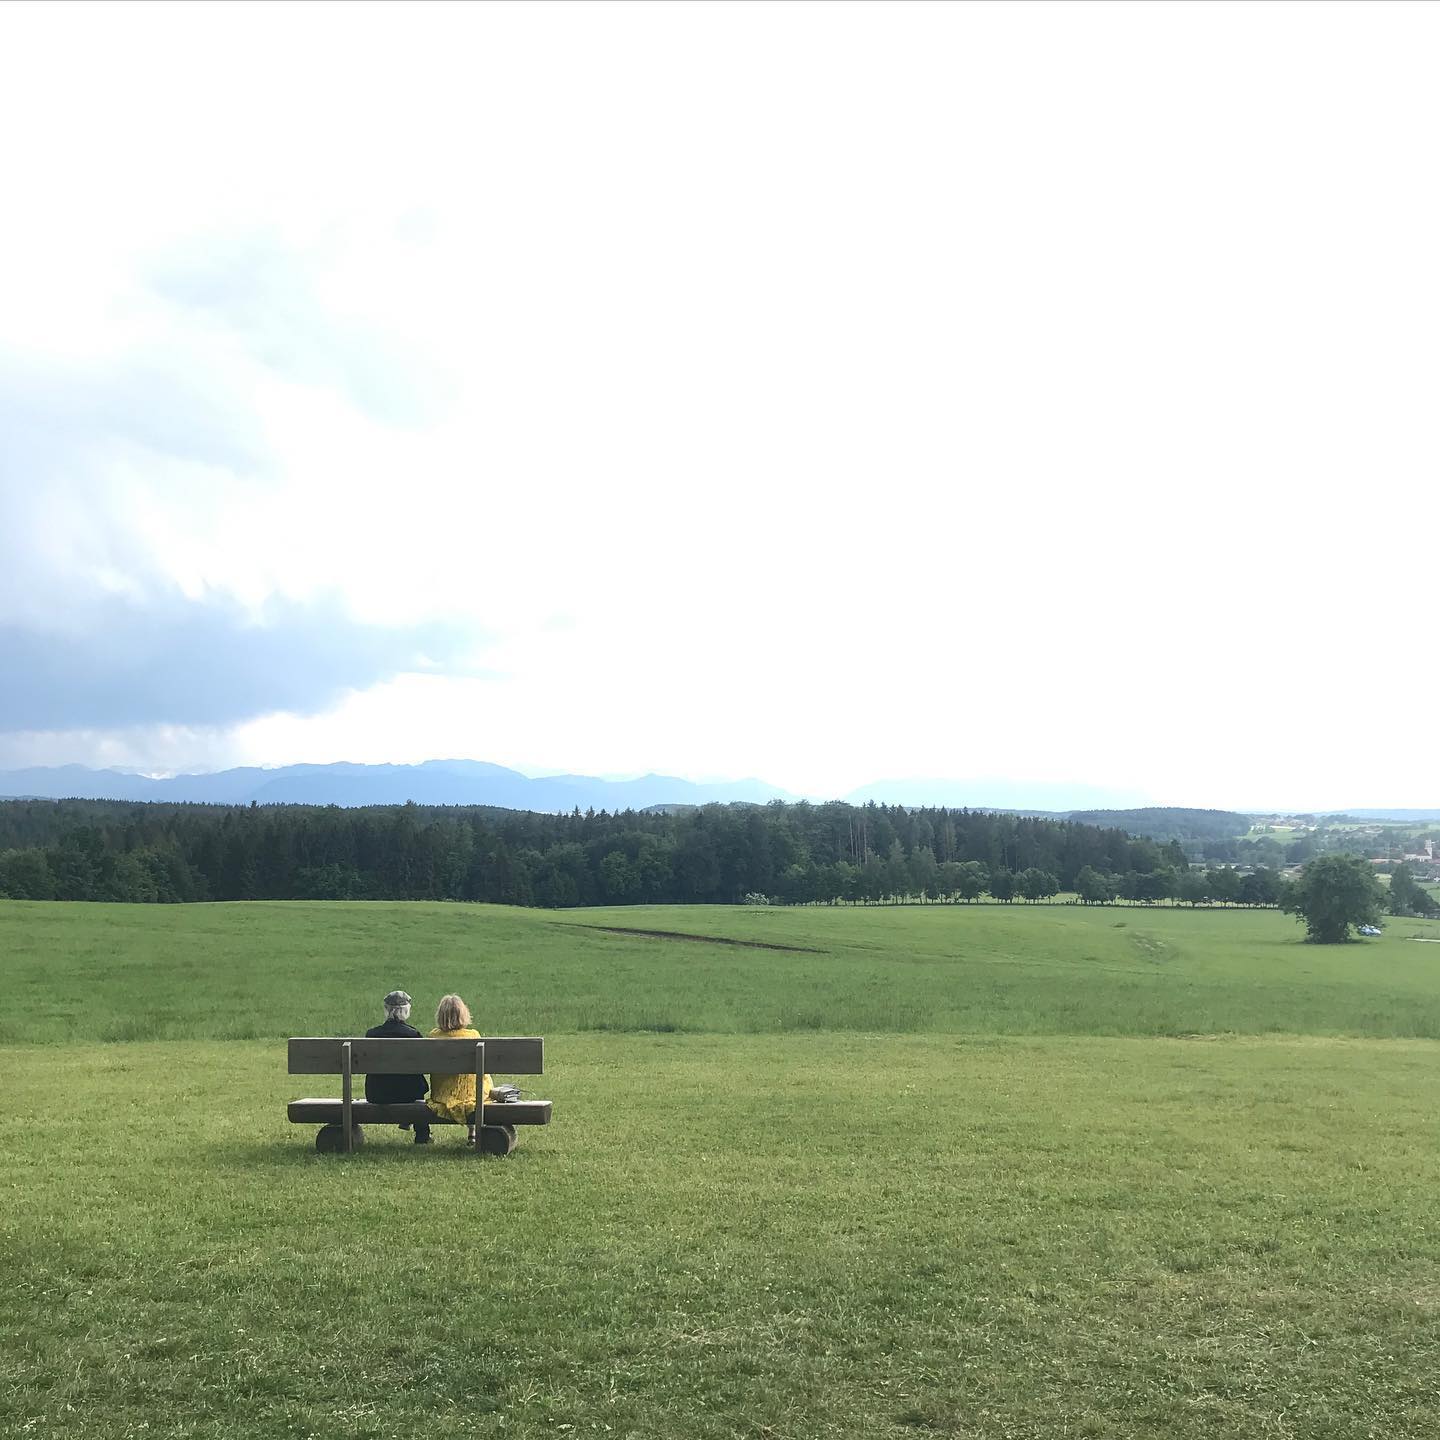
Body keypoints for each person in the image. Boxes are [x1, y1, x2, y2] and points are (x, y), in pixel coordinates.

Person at [364, 989, 431, 1145]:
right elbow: (422, 1067)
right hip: (408, 1094)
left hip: (377, 1093)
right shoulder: (413, 1035)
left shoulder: (371, 1035)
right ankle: (422, 1134)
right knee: (416, 1083)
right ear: (406, 1011)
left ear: (386, 1010)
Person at [426, 993, 491, 1146]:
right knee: (482, 1078)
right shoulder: (473, 1035)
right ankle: (472, 1131)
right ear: (463, 1014)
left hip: (441, 1094)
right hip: (472, 1093)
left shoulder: (433, 1036)